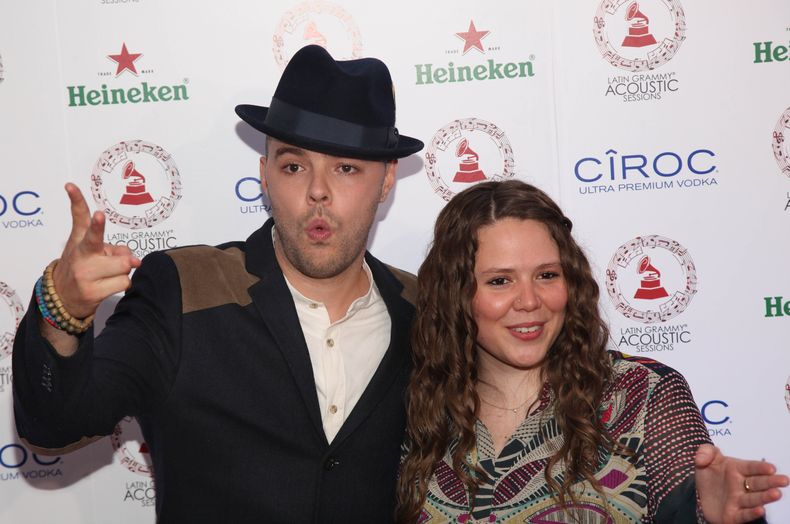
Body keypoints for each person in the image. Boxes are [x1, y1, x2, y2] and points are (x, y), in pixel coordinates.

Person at [13, 45, 423, 523]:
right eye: (294, 166)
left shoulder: (421, 310)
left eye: (346, 168)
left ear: (388, 179)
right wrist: (60, 309)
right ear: (264, 175)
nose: (318, 190)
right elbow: (55, 421)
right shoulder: (184, 288)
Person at [396, 180, 788, 523]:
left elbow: (697, 506)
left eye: (547, 275)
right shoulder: (421, 409)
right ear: (454, 294)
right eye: (500, 281)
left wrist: (712, 516)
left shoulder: (643, 394)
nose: (530, 301)